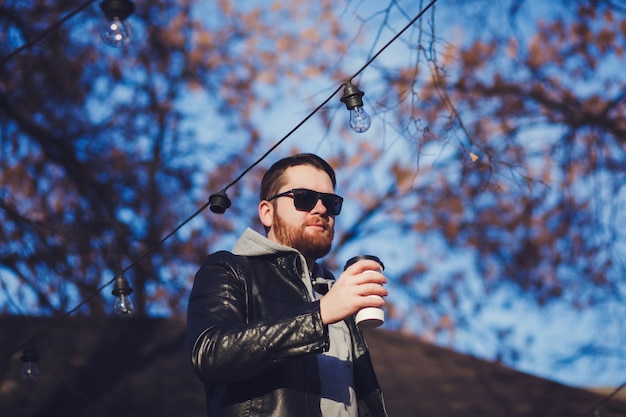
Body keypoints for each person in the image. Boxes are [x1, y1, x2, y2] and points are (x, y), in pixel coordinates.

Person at [187, 153, 389, 417]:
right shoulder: (230, 269)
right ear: (267, 212)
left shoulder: (332, 291)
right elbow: (210, 354)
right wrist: (320, 315)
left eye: (330, 202)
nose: (321, 209)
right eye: (304, 198)